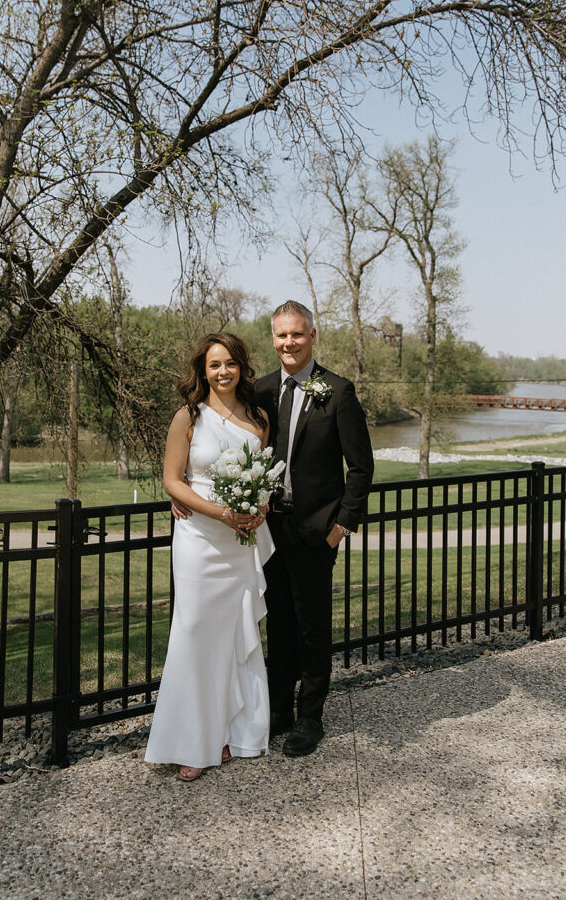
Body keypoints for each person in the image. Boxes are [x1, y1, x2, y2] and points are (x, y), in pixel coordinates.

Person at [145, 332, 273, 781]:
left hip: (239, 545)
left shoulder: (258, 418)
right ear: (202, 371)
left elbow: (265, 478)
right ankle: (191, 741)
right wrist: (221, 513)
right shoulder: (188, 416)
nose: (223, 372)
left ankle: (230, 731)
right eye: (214, 365)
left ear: (242, 367)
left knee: (234, 637)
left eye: (230, 363)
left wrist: (258, 510)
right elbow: (172, 481)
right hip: (200, 539)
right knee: (195, 632)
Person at [255, 300, 373, 757]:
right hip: (270, 530)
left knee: (312, 627)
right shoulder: (261, 391)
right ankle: (279, 711)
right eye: (282, 335)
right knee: (278, 623)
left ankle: (310, 717)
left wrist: (340, 527)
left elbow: (361, 468)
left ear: (312, 335)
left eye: (297, 334)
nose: (289, 343)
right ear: (274, 339)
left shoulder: (337, 392)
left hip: (316, 532)